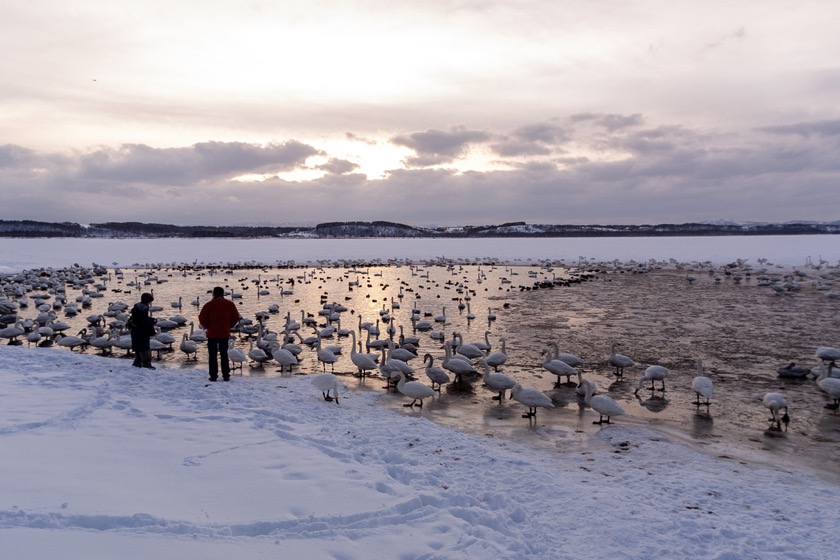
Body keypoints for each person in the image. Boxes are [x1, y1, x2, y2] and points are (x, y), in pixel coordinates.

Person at [198, 286, 241, 382]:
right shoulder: (230, 304)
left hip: (212, 334)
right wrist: (229, 326)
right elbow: (236, 317)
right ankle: (226, 375)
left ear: (213, 294)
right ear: (223, 293)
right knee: (224, 354)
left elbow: (202, 319)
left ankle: (213, 375)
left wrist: (208, 327)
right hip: (224, 333)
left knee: (212, 355)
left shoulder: (208, 305)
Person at [129, 292, 157, 369]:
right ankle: (147, 365)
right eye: (149, 302)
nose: (150, 304)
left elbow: (139, 319)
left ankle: (137, 363)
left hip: (135, 331)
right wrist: (152, 331)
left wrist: (150, 319)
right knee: (145, 349)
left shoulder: (137, 308)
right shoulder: (144, 309)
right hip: (141, 332)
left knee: (138, 348)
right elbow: (144, 322)